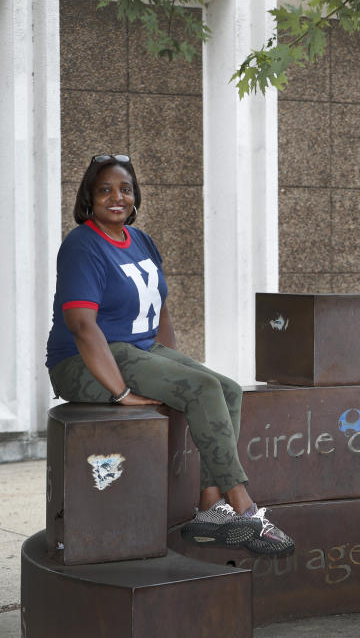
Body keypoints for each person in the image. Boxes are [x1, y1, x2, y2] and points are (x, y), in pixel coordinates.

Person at [45, 154, 293, 556]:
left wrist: (172, 369)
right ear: (89, 197)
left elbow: (160, 309)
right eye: (104, 189)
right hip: (84, 361)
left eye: (125, 189)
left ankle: (211, 508)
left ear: (135, 196)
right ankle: (243, 506)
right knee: (201, 388)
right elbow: (82, 327)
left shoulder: (141, 241)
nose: (116, 197)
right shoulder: (81, 246)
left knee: (224, 389)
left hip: (138, 349)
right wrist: (122, 394)